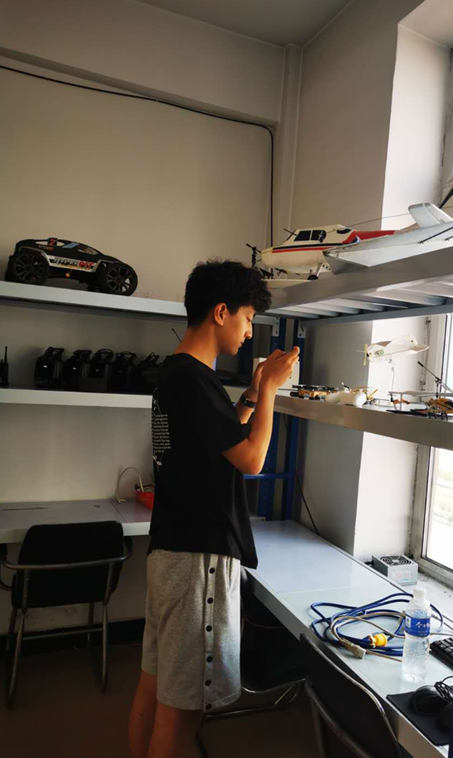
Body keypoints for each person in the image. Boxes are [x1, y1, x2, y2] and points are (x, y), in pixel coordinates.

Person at [128, 260, 299, 758]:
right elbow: (251, 459)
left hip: (171, 553)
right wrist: (272, 391)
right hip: (197, 561)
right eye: (247, 319)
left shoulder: (177, 373)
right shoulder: (195, 381)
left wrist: (252, 395)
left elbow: (218, 439)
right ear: (221, 312)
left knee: (153, 688)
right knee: (182, 711)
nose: (248, 332)